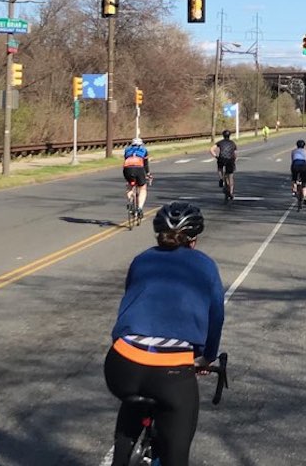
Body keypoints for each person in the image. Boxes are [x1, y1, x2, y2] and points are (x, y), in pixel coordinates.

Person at [104, 202, 225, 466]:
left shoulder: (141, 259)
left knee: (133, 393)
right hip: (169, 374)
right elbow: (216, 318)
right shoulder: (205, 266)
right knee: (176, 455)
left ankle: (121, 454)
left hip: (120, 363)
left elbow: (131, 303)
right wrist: (205, 358)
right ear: (194, 240)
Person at [122, 138, 151, 218]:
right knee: (142, 188)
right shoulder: (144, 150)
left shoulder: (127, 149)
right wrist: (148, 174)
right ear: (141, 144)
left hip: (127, 169)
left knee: (129, 186)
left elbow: (125, 160)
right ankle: (139, 208)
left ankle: (130, 200)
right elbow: (145, 164)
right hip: (139, 169)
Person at [209, 129, 237, 199]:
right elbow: (235, 154)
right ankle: (231, 192)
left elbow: (211, 149)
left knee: (220, 167)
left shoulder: (220, 142)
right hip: (230, 160)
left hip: (221, 158)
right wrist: (234, 160)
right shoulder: (232, 143)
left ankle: (221, 178)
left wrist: (216, 156)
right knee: (230, 175)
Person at [290, 139, 306, 205]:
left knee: (294, 179)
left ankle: (294, 189)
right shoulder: (305, 151)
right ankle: (304, 197)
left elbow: (293, 160)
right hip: (303, 166)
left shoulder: (293, 151)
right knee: (304, 183)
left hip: (295, 166)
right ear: (304, 146)